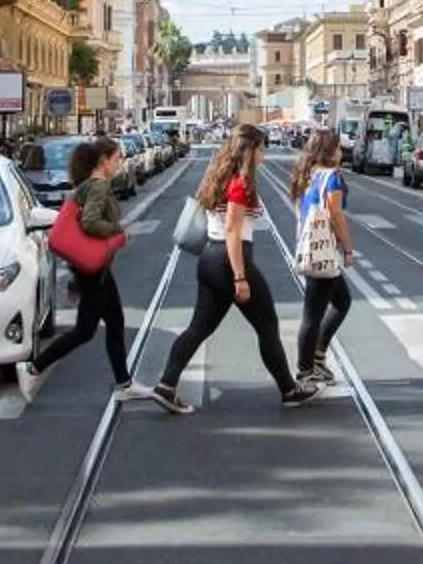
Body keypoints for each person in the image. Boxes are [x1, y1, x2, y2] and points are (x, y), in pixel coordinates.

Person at [144, 125, 320, 414]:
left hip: (210, 259)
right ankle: (289, 389)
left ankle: (166, 385)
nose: (265, 153)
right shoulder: (240, 183)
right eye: (262, 148)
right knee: (267, 326)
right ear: (250, 151)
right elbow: (233, 231)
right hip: (229, 261)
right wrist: (240, 277)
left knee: (198, 328)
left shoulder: (219, 177)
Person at [24, 140, 130, 389]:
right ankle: (33, 367)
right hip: (94, 271)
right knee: (85, 331)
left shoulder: (90, 186)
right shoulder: (98, 187)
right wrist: (116, 230)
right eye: (117, 158)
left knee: (115, 323)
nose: (119, 163)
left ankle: (124, 383)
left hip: (96, 268)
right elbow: (90, 223)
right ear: (104, 161)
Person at [291, 129, 354, 384]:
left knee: (342, 301)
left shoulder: (309, 175)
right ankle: (305, 369)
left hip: (312, 248)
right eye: (338, 148)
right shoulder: (332, 178)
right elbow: (336, 214)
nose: (341, 152)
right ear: (329, 151)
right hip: (322, 252)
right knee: (313, 314)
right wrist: (348, 249)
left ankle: (316, 356)